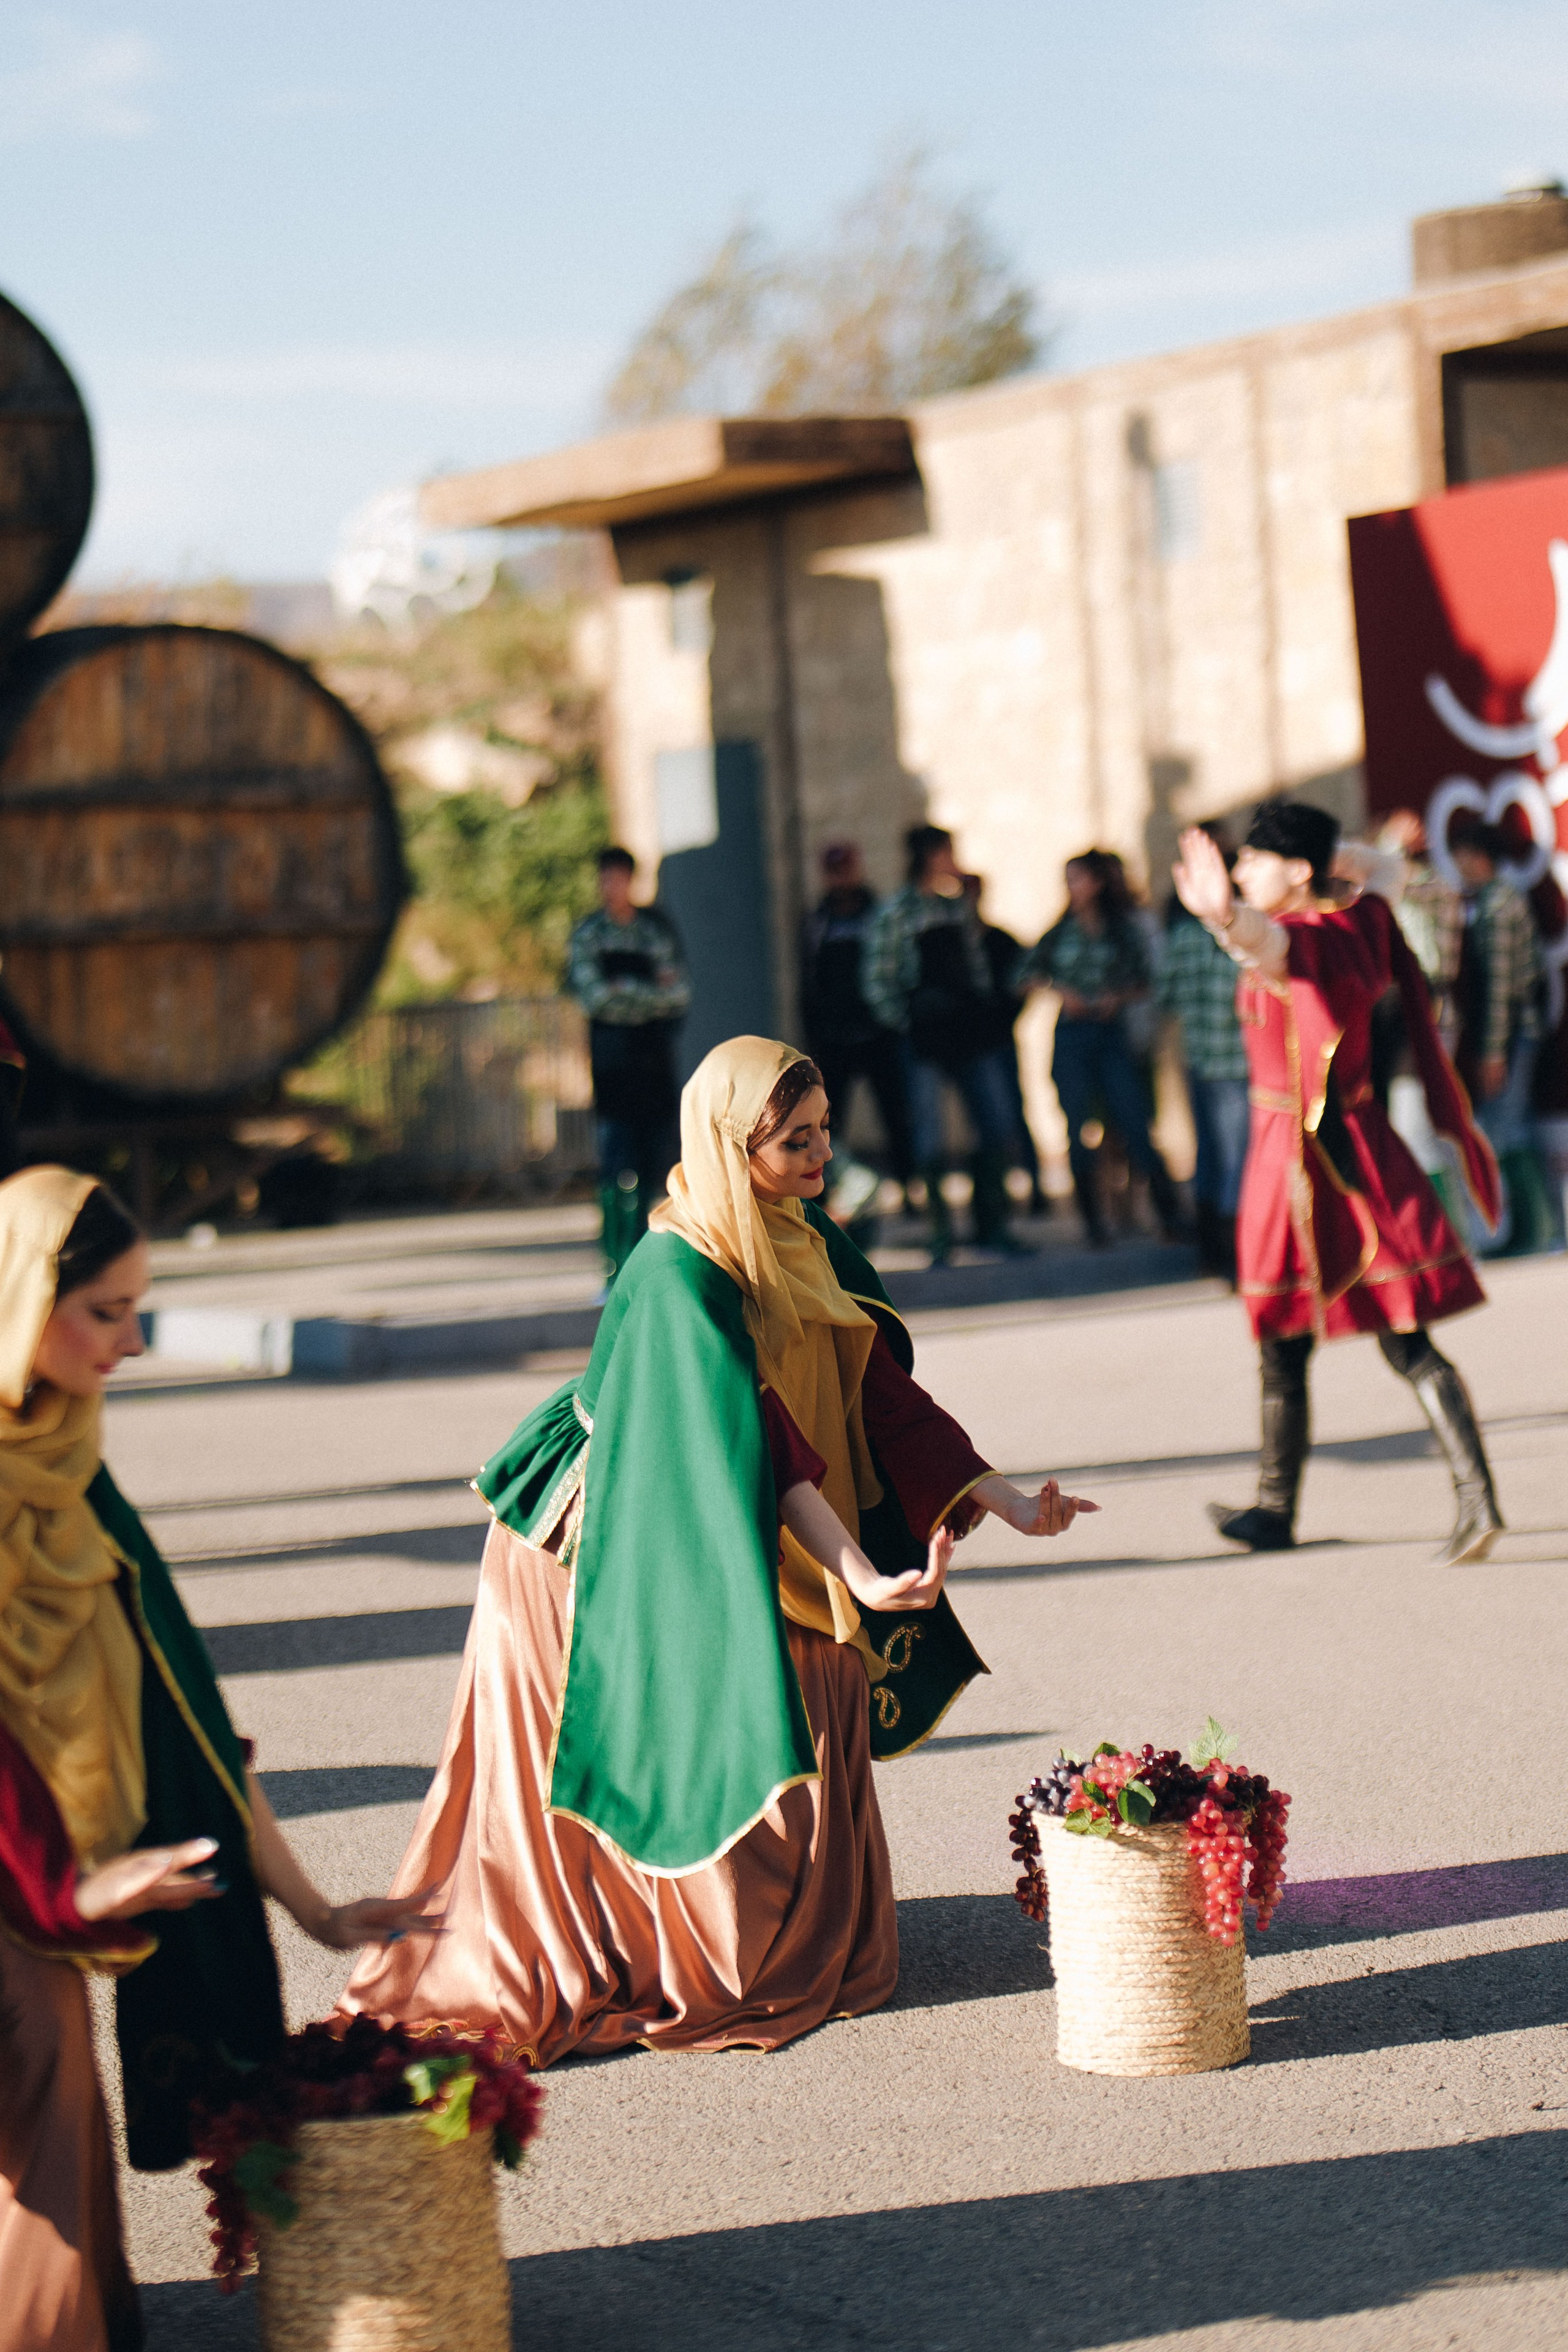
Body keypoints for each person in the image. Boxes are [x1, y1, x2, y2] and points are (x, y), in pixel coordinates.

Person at [341, 1037, 1096, 2064]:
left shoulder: (802, 1237)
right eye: (796, 1139)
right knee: (679, 1718)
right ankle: (649, 1941)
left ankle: (727, 1929)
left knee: (800, 1674)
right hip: (610, 1538)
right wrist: (861, 1572)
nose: (823, 1153)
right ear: (732, 1144)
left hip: (746, 1504)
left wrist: (1006, 1501)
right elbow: (765, 1444)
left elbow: (881, 1399)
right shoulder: (676, 1271)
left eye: (827, 1129)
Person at [0, 1167, 435, 2345]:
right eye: (105, 1310)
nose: (132, 1342)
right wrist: (62, 1889)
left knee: (55, 2142)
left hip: (31, 1895)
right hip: (20, 1888)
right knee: (40, 2138)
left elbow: (180, 1711)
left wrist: (312, 1909)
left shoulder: (68, 1466)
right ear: (19, 1299)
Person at [1172, 807, 1505, 1567]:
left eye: (1254, 860)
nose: (1243, 872)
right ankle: (1276, 1508)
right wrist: (1318, 858)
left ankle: (1474, 1501)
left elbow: (1267, 940)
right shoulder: (1364, 918)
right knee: (1300, 1342)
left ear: (1293, 873)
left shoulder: (1310, 939)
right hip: (1340, 1143)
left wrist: (1229, 918)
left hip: (1307, 1155)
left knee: (1394, 1337)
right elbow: (1379, 872)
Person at [863, 826, 1029, 1265]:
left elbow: (975, 968)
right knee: (930, 1135)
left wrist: (982, 1014)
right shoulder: (895, 913)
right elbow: (878, 982)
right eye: (947, 853)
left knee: (996, 1123)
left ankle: (991, 1225)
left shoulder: (955, 908)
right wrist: (908, 1023)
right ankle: (941, 1235)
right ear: (930, 856)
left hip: (969, 1034)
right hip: (925, 1039)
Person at [1020, 850, 1185, 1248]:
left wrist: (1118, 998)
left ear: (1096, 883)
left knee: (1135, 1124)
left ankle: (1171, 1216)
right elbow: (1026, 975)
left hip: (1110, 1034)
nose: (1071, 888)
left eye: (1077, 879)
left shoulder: (1121, 930)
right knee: (1076, 1131)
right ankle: (1093, 1222)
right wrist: (1063, 992)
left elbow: (1149, 981)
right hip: (1073, 1036)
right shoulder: (1060, 931)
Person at [566, 846, 691, 1283]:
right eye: (606, 878)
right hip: (613, 1068)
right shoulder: (589, 934)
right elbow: (593, 997)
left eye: (619, 878)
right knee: (615, 1164)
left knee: (655, 1163)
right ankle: (614, 1264)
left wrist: (625, 990)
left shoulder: (654, 932)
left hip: (654, 1065)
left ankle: (647, 1259)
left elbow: (677, 995)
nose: (612, 887)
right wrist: (646, 993)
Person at [1450, 821, 1559, 1256]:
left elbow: (1500, 989)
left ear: (1476, 856)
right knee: (1514, 1127)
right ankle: (1536, 1229)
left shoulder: (1497, 906)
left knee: (1507, 1129)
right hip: (1517, 1035)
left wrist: (1493, 1053)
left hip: (1512, 1037)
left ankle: (1539, 1231)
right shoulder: (1493, 901)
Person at [1158, 833, 1250, 1281]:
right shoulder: (1238, 931)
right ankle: (1238, 1256)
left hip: (1200, 1061)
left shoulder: (1181, 936)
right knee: (1237, 1160)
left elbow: (1166, 995)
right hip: (1237, 1062)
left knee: (1210, 1158)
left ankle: (1210, 1251)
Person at [800, 841, 914, 1196]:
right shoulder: (819, 920)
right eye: (834, 871)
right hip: (834, 1041)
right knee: (829, 1121)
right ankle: (831, 1188)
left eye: (846, 869)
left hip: (878, 1035)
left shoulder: (878, 914)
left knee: (897, 1117)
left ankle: (910, 1188)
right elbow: (808, 980)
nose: (841, 878)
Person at [960, 873, 1050, 1216]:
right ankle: (995, 1199)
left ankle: (1034, 1186)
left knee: (1013, 1114)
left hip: (999, 1042)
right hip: (971, 1045)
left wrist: (1007, 1016)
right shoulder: (954, 943)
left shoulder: (1000, 941)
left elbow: (1027, 980)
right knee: (986, 1123)